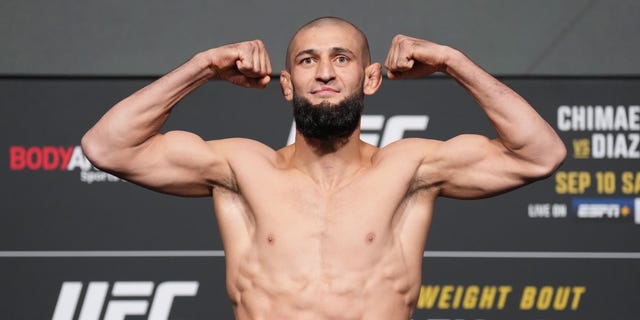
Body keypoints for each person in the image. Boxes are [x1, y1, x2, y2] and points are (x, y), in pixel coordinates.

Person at [82, 17, 566, 320]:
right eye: (308, 61)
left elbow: (540, 154)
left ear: (370, 78)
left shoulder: (410, 168)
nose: (327, 73)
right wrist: (203, 66)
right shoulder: (242, 168)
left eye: (342, 58)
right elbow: (106, 147)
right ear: (288, 85)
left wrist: (453, 62)